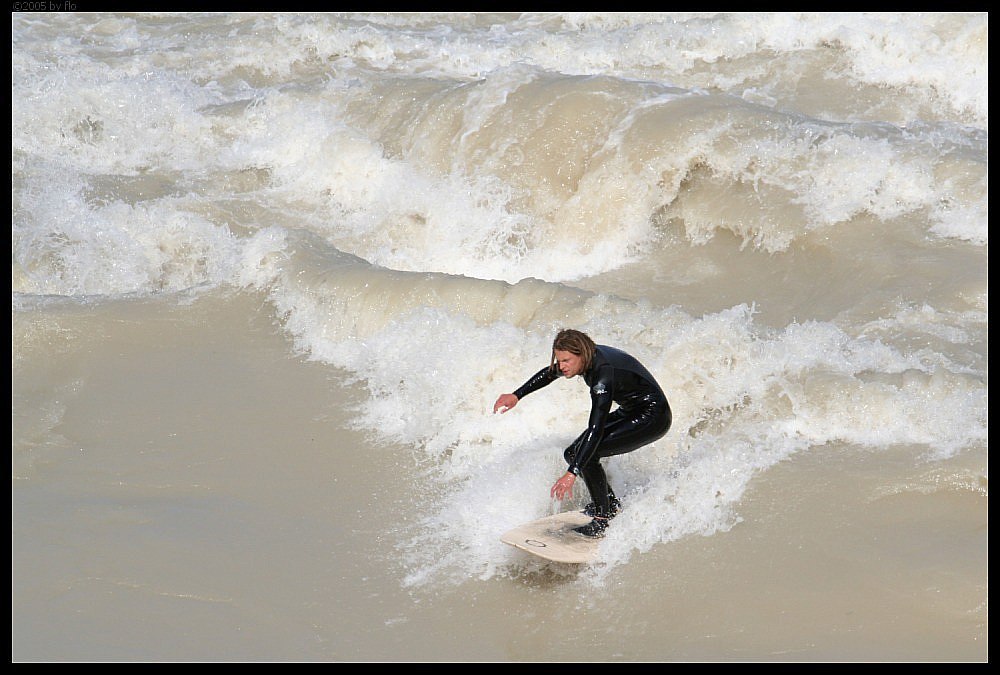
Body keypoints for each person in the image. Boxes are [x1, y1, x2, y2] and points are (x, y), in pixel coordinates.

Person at [493, 329, 671, 537]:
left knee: (586, 456)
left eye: (566, 361)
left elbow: (595, 430)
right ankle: (610, 504)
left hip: (653, 416)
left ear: (582, 355)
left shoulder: (602, 376)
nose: (562, 367)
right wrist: (517, 395)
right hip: (632, 410)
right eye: (560, 361)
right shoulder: (585, 359)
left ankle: (603, 519)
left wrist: (572, 473)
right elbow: (549, 373)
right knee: (573, 454)